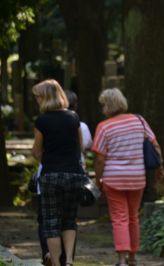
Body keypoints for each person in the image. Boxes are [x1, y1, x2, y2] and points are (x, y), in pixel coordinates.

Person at [92, 88, 163, 266]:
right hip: (137, 178)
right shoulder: (139, 121)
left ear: (107, 106)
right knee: (133, 217)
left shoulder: (104, 126)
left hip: (113, 179)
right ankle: (132, 258)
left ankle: (122, 260)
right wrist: (160, 167)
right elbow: (156, 146)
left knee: (119, 218)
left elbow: (100, 159)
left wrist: (98, 180)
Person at [32, 79, 84, 266]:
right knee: (70, 220)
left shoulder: (42, 120)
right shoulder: (73, 117)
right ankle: (69, 261)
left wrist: (47, 160)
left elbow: (36, 151)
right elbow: (80, 146)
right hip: (74, 174)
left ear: (45, 97)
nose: (36, 100)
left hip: (51, 175)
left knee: (51, 222)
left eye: (37, 97)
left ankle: (55, 262)